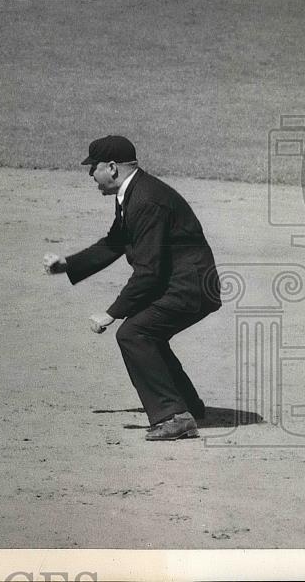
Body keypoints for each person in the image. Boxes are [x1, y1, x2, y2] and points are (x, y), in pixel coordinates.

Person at [43, 135, 221, 441]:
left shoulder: (146, 200)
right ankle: (186, 403)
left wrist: (112, 313)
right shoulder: (133, 192)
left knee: (134, 333)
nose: (90, 175)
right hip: (183, 282)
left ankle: (174, 416)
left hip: (190, 288)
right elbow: (115, 242)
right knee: (147, 332)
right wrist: (68, 265)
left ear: (112, 168)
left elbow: (149, 272)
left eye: (93, 168)